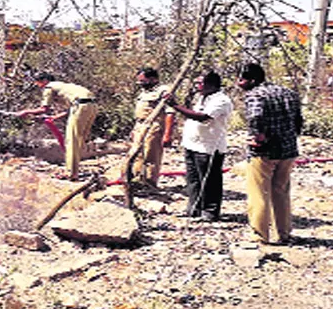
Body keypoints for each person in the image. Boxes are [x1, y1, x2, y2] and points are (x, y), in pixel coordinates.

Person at [237, 63, 303, 244]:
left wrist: (258, 137)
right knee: (281, 191)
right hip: (288, 150)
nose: (238, 83)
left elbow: (255, 117)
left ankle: (260, 235)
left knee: (258, 193)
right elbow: (298, 120)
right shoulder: (288, 92)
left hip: (264, 152)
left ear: (252, 80)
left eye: (241, 79)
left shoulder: (255, 95)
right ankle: (284, 232)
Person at [165, 71, 233, 221]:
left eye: (200, 83)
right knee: (193, 179)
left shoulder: (221, 100)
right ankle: (194, 209)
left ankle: (210, 212)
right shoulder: (202, 97)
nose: (197, 86)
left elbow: (202, 117)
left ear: (212, 84)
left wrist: (175, 105)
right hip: (192, 144)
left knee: (209, 180)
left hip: (209, 147)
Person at [17, 72, 98, 181]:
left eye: (38, 81)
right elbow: (71, 109)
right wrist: (54, 118)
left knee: (72, 141)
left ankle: (71, 174)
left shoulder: (49, 87)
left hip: (81, 106)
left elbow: (44, 109)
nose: (37, 84)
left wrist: (26, 112)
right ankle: (75, 170)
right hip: (92, 106)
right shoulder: (64, 86)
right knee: (79, 140)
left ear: (45, 80)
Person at [125, 67, 175, 187]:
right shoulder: (144, 92)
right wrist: (134, 129)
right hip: (140, 126)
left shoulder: (163, 91)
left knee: (151, 155)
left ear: (153, 79)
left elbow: (170, 112)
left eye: (143, 81)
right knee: (137, 154)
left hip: (154, 126)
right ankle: (137, 180)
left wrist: (168, 134)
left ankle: (149, 182)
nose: (141, 84)